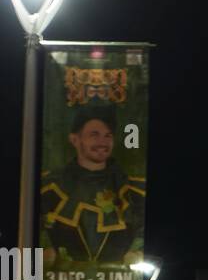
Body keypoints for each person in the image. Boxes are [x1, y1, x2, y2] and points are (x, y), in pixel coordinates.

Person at [41, 105, 145, 265]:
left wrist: (138, 251)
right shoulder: (48, 187)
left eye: (108, 135)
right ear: (74, 139)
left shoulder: (133, 191)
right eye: (94, 135)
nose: (102, 142)